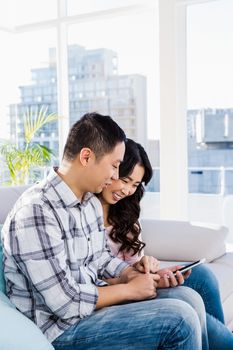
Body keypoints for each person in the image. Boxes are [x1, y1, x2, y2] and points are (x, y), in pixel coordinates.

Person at [1, 112, 205, 350]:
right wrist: (128, 290)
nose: (116, 177)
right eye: (115, 166)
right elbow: (64, 302)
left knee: (188, 298)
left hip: (87, 313)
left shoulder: (88, 202)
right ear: (86, 156)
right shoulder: (36, 211)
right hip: (59, 330)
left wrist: (131, 273)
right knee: (179, 320)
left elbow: (100, 258)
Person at [98, 137, 233, 350]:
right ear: (110, 171)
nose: (127, 191)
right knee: (187, 307)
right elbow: (93, 279)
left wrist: (148, 268)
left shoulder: (126, 214)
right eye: (124, 180)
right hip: (113, 292)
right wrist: (136, 281)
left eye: (134, 185)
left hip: (133, 282)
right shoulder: (85, 213)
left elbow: (134, 265)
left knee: (202, 276)